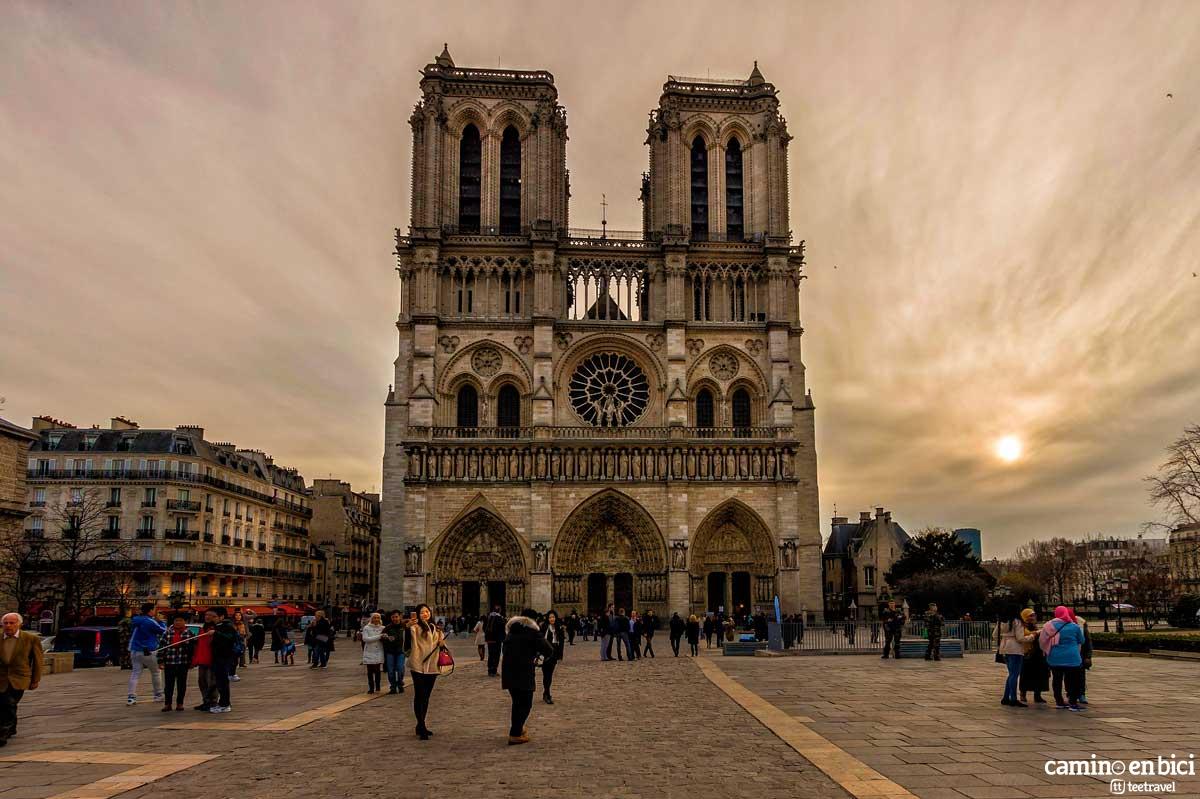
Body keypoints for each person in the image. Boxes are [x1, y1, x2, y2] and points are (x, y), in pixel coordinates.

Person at [502, 608, 555, 745]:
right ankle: (515, 734)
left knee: (517, 703)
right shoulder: (532, 632)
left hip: (509, 672)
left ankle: (518, 729)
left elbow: (505, 650)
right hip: (524, 672)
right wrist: (537, 657)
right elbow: (548, 649)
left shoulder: (511, 631)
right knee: (526, 703)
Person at [0, 612, 43, 747]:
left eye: (11, 623)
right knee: (7, 704)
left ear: (19, 624)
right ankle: (7, 730)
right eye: (5, 623)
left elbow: (37, 661)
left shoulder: (30, 639)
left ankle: (6, 730)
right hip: (1, 678)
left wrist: (35, 679)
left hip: (20, 678)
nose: (8, 625)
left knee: (10, 703)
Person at [405, 604, 445, 740]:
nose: (425, 614)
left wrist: (442, 643)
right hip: (418, 665)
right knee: (420, 695)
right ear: (417, 614)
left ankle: (421, 724)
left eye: (427, 611)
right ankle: (421, 725)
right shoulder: (414, 627)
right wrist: (407, 627)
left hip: (432, 666)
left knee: (426, 696)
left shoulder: (436, 628)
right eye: (422, 612)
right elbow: (407, 641)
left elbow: (441, 645)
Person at [1041, 606, 1085, 711]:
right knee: (1072, 681)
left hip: (1055, 657)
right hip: (1072, 657)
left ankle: (1059, 702)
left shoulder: (1048, 625)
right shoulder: (1074, 626)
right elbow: (1082, 640)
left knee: (1057, 680)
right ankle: (1073, 702)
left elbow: (1042, 641)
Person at [127, 602, 167, 706]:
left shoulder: (135, 620)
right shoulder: (150, 621)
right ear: (150, 611)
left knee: (135, 673)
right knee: (156, 672)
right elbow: (164, 631)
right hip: (149, 650)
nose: (155, 612)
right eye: (154, 610)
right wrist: (161, 622)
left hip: (134, 649)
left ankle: (131, 697)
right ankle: (158, 695)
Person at [156, 614, 195, 712]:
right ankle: (168, 704)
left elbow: (193, 649)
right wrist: (160, 661)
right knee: (168, 685)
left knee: (182, 684)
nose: (178, 622)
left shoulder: (188, 633)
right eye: (176, 620)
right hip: (170, 662)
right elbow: (161, 647)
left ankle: (180, 703)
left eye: (180, 620)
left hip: (183, 662)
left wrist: (192, 661)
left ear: (184, 622)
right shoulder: (167, 633)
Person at [997, 610, 1035, 707]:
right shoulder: (1017, 621)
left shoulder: (1002, 621)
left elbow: (994, 634)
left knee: (1011, 674)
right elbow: (1020, 638)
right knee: (1014, 674)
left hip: (1004, 647)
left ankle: (1006, 697)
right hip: (1015, 648)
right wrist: (1031, 636)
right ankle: (1013, 698)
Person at [208, 608, 238, 713]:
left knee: (223, 681)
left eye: (214, 616)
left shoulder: (227, 626)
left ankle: (225, 704)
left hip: (224, 657)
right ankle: (223, 703)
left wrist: (216, 633)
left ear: (222, 617)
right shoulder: (217, 626)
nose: (213, 618)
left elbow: (230, 638)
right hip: (217, 657)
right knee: (219, 681)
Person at [1018, 609, 1049, 705]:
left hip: (1038, 654)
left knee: (1039, 674)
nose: (1032, 618)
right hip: (1027, 654)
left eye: (1033, 615)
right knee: (1025, 674)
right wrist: (1036, 633)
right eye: (1030, 616)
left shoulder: (1035, 626)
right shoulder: (1021, 627)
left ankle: (1037, 695)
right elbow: (1025, 636)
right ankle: (1023, 694)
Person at [192, 610, 218, 711]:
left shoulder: (216, 629)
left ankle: (213, 702)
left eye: (210, 615)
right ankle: (206, 701)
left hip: (211, 659)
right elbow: (199, 645)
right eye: (206, 615)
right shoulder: (203, 628)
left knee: (211, 682)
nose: (207, 617)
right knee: (202, 681)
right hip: (202, 659)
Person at [539, 609, 565, 704]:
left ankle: (546, 692)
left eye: (553, 617)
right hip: (545, 651)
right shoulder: (544, 627)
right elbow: (540, 640)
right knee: (546, 674)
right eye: (550, 617)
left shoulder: (559, 627)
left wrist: (560, 655)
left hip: (554, 652)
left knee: (549, 674)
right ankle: (547, 693)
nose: (552, 619)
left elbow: (561, 642)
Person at [382, 610, 408, 693]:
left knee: (400, 668)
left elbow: (409, 637)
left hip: (401, 651)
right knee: (390, 671)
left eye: (396, 617)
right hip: (390, 652)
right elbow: (382, 637)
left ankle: (400, 684)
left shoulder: (404, 626)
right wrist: (386, 638)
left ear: (400, 617)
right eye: (393, 617)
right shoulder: (387, 627)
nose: (395, 619)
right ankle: (393, 686)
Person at [360, 612, 385, 693]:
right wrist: (379, 636)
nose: (376, 619)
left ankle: (378, 686)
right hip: (369, 651)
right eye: (375, 617)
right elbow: (365, 639)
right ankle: (371, 687)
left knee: (377, 670)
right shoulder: (367, 628)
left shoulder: (383, 628)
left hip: (378, 650)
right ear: (371, 619)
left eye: (378, 617)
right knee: (370, 671)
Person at [484, 605, 507, 677]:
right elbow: (502, 628)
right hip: (497, 639)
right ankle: (494, 670)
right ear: (499, 611)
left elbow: (484, 627)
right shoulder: (499, 618)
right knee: (496, 655)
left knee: (491, 655)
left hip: (489, 639)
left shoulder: (489, 617)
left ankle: (490, 670)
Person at [231, 610, 248, 679]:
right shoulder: (232, 624)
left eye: (239, 615)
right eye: (236, 615)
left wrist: (245, 639)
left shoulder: (243, 623)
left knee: (241, 653)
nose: (238, 617)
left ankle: (241, 664)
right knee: (234, 656)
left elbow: (245, 632)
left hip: (242, 640)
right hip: (234, 641)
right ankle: (232, 672)